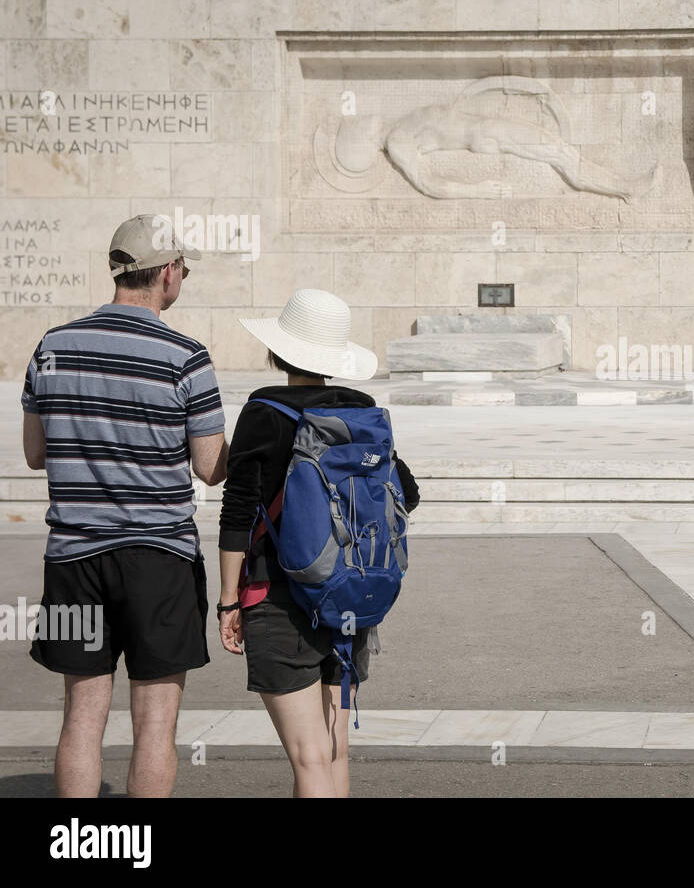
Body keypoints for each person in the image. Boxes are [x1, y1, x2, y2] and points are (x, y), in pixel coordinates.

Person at [23, 213, 227, 797]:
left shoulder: (52, 346)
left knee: (81, 719)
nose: (182, 279)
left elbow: (36, 455)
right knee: (155, 728)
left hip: (73, 560)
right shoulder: (186, 355)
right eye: (183, 269)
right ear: (166, 273)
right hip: (158, 561)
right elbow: (211, 470)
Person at [216, 288, 420, 798]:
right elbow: (407, 493)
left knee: (308, 761)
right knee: (333, 751)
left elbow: (237, 513)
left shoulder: (262, 412)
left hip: (279, 598)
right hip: (350, 595)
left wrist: (226, 602)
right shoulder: (361, 410)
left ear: (278, 351)